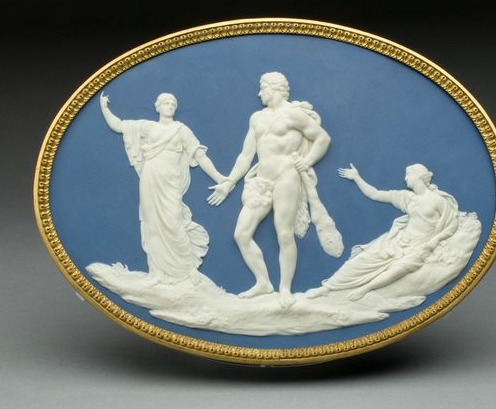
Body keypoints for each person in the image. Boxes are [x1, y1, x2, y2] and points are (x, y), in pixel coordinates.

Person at [207, 72, 332, 307]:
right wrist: (229, 182)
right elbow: (246, 156)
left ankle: (285, 289)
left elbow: (322, 138)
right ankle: (263, 283)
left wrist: (307, 162)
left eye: (262, 89)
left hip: (286, 176)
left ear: (274, 89)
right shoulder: (257, 118)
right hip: (261, 180)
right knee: (241, 234)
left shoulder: (294, 115)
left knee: (284, 233)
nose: (259, 94)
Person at [99, 92, 227, 284]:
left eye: (173, 103)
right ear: (157, 107)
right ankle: (156, 272)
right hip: (150, 180)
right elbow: (118, 125)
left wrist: (219, 177)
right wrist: (104, 107)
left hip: (170, 182)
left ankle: (188, 268)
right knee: (151, 224)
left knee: (174, 222)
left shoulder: (181, 130)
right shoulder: (148, 127)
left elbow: (200, 157)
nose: (170, 105)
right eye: (166, 103)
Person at [306, 163, 459, 301]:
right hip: (398, 240)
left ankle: (365, 289)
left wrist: (435, 240)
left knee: (398, 269)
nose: (405, 178)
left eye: (408, 174)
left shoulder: (437, 200)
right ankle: (327, 288)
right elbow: (375, 194)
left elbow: (452, 224)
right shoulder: (406, 197)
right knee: (361, 259)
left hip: (420, 245)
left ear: (419, 176)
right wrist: (357, 178)